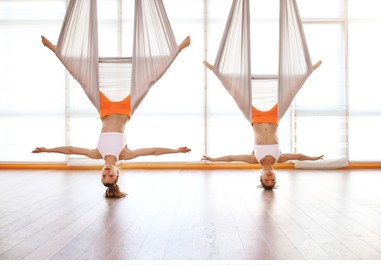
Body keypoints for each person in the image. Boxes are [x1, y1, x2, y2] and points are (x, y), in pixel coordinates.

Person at [33, 36, 191, 198]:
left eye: (103, 176)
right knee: (151, 79)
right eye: (111, 176)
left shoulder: (96, 154)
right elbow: (153, 151)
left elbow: (70, 149)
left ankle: (53, 48)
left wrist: (48, 150)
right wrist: (176, 151)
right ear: (117, 173)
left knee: (81, 78)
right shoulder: (125, 154)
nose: (107, 173)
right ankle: (178, 49)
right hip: (125, 108)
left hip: (105, 108)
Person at [202, 60, 324, 190]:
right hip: (273, 117)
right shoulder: (280, 158)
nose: (270, 177)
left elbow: (231, 158)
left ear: (261, 177)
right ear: (275, 177)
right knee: (291, 92)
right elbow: (299, 156)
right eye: (273, 180)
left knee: (236, 94)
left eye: (267, 180)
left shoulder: (254, 158)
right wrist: (313, 158)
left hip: (255, 117)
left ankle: (215, 70)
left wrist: (213, 159)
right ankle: (311, 69)